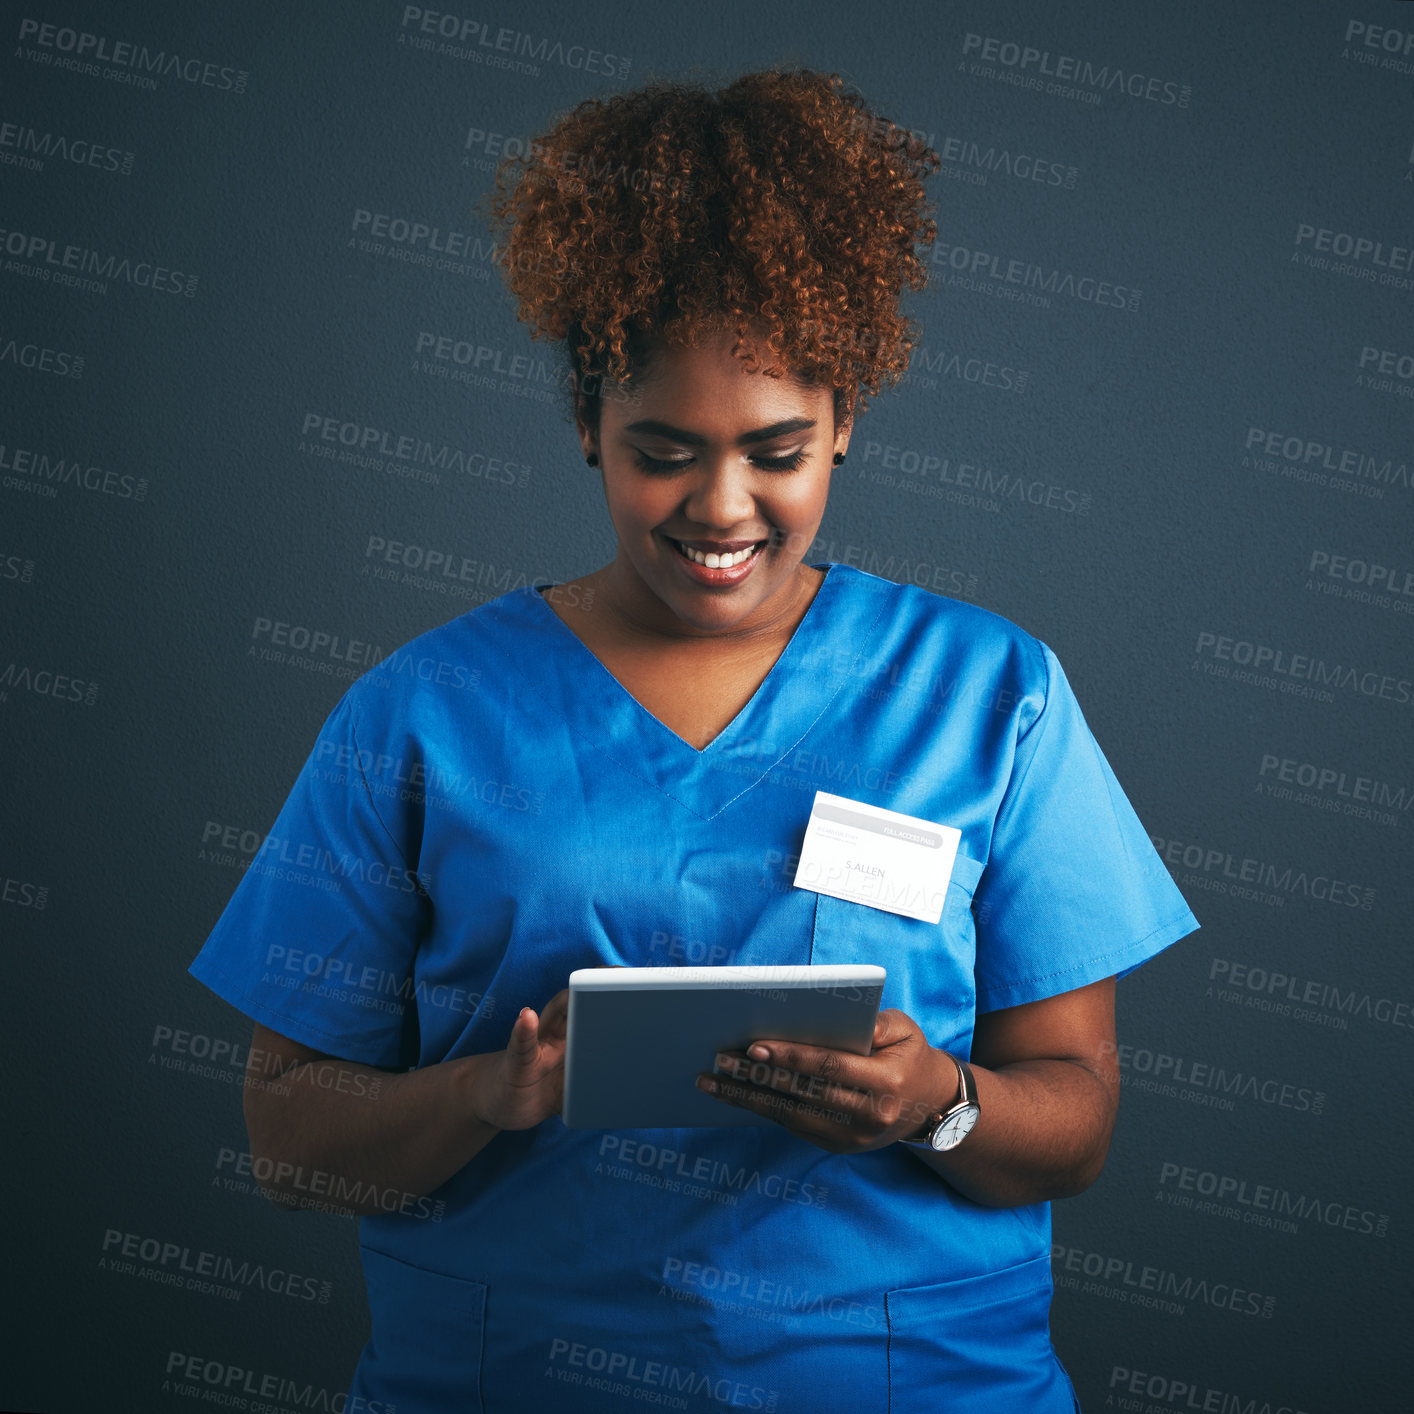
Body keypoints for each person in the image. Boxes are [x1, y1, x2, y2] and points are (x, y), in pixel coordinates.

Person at [189, 67, 1198, 1412]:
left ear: (844, 423)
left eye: (777, 449)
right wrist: (488, 1093)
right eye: (662, 449)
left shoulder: (987, 691)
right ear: (588, 429)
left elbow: (1070, 1119)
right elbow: (286, 1139)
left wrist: (935, 1100)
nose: (722, 506)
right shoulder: (422, 712)